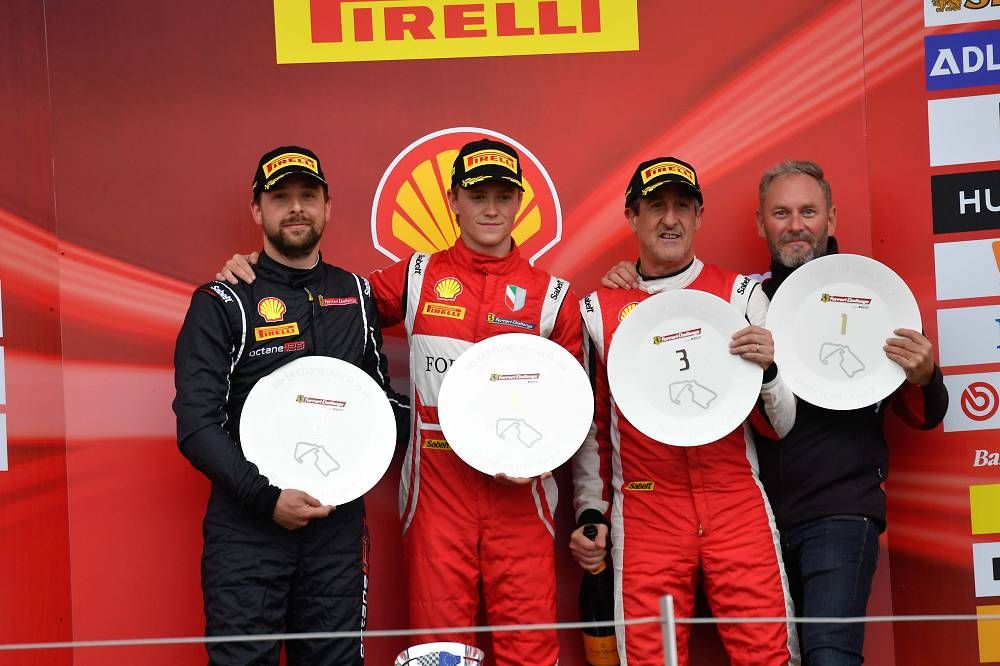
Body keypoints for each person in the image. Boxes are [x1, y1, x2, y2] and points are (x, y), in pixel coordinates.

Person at [216, 138, 583, 666]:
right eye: (477, 195)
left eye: (503, 196)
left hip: (522, 497)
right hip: (438, 492)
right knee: (440, 652)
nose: (491, 209)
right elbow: (329, 302)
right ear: (453, 200)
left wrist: (544, 455)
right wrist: (261, 270)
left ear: (520, 203)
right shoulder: (417, 276)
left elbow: (574, 407)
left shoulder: (553, 296)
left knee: (530, 650)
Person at [602, 160, 949, 665]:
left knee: (828, 656)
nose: (795, 225)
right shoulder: (739, 300)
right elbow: (667, 318)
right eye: (781, 213)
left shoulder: (872, 299)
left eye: (808, 211)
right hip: (757, 519)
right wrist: (633, 286)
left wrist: (923, 374)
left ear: (831, 218)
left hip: (837, 513)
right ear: (761, 224)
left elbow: (923, 413)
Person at [173, 145, 407, 665]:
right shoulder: (223, 300)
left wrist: (472, 433)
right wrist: (265, 499)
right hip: (248, 529)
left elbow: (380, 406)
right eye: (280, 198)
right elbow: (196, 424)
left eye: (308, 195)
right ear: (257, 210)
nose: (296, 207)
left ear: (328, 207)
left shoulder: (356, 294)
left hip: (336, 531)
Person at [570, 157, 800, 666]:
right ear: (632, 217)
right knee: (649, 659)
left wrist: (768, 371)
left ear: (699, 216)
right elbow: (593, 431)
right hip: (645, 506)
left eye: (682, 206)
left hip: (734, 497)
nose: (670, 219)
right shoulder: (598, 310)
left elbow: (782, 424)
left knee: (769, 656)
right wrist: (590, 511)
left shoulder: (741, 296)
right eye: (656, 206)